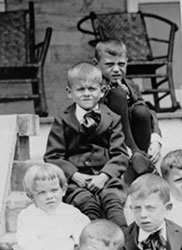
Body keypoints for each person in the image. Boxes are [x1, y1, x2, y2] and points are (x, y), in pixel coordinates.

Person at [44, 62, 128, 226]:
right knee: (86, 204)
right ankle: (92, 241)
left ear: (102, 91)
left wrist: (104, 176)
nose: (87, 94)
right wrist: (75, 175)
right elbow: (53, 156)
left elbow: (121, 154)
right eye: (80, 89)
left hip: (107, 179)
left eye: (92, 89)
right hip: (76, 182)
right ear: (70, 93)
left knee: (113, 204)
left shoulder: (113, 118)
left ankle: (123, 241)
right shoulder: (62, 120)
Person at [94, 38, 161, 181]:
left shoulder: (131, 85)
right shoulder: (92, 87)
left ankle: (140, 160)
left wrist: (156, 139)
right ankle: (137, 155)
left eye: (122, 64)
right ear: (96, 64)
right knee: (118, 95)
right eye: (109, 64)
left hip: (135, 138)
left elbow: (150, 113)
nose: (117, 69)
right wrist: (113, 93)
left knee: (142, 110)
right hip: (108, 138)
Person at [17, 163, 90, 250]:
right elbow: (27, 243)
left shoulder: (72, 214)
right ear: (31, 196)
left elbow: (83, 237)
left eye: (54, 190)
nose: (49, 196)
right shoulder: (27, 216)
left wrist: (78, 244)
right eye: (42, 192)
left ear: (63, 190)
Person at [123, 174, 182, 250]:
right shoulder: (122, 238)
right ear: (131, 208)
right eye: (137, 208)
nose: (143, 215)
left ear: (167, 208)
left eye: (150, 208)